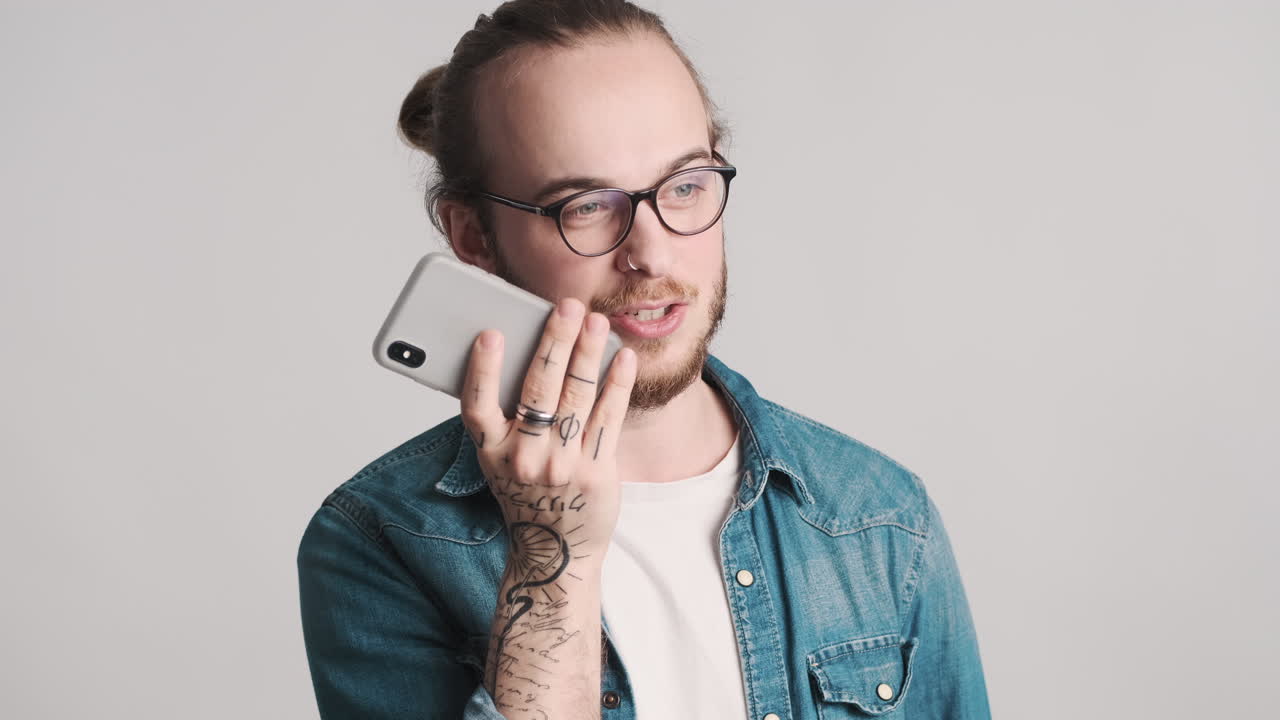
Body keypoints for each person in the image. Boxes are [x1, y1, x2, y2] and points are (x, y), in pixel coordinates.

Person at [296, 1, 991, 718]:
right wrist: (551, 564)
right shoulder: (380, 540)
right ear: (472, 236)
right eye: (587, 205)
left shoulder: (880, 517)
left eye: (685, 187)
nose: (651, 254)